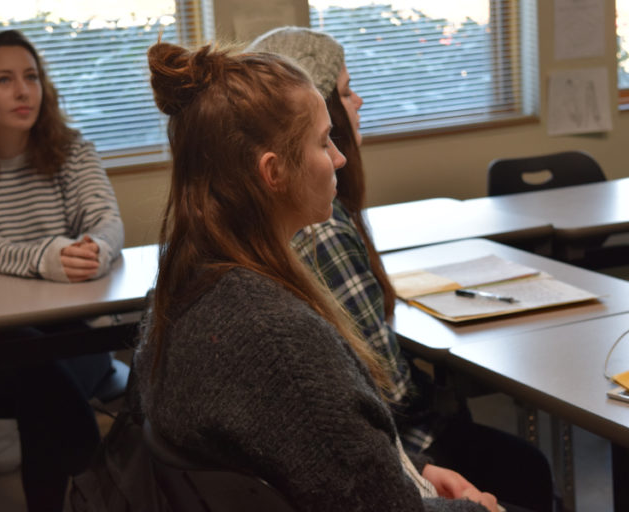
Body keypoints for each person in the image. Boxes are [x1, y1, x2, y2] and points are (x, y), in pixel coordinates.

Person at [135, 40, 502, 512]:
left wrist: (413, 465)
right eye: (323, 142)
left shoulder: (188, 282)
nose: (339, 158)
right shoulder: (275, 337)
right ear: (274, 172)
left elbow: (321, 447)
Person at [249, 26, 553, 512]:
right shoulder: (320, 228)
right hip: (395, 449)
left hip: (367, 448)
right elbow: (386, 385)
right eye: (345, 92)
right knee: (525, 467)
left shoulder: (280, 222)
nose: (359, 102)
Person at [0, 30, 124, 511]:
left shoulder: (73, 150)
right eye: (4, 79)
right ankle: (103, 494)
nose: (23, 91)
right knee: (40, 368)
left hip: (76, 330)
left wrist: (96, 247)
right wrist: (47, 260)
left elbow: (107, 221)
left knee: (46, 378)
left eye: (31, 77)